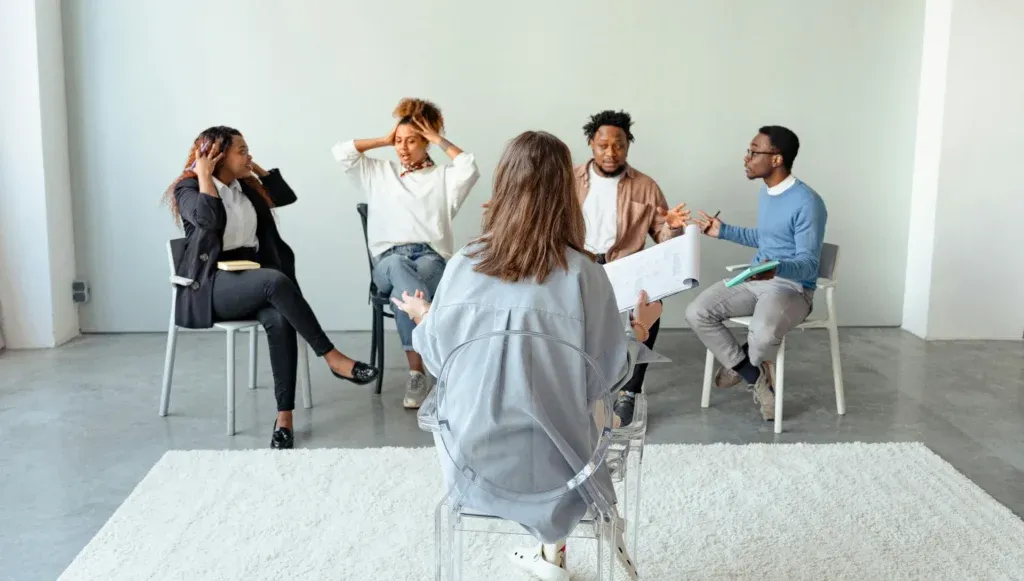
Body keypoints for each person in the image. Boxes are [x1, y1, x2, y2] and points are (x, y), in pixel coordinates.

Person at [392, 131, 658, 580]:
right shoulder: (584, 274)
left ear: (504, 184)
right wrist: (640, 330)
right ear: (565, 193)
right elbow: (605, 376)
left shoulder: (463, 263)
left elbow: (441, 362)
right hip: (562, 478)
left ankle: (549, 555)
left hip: (471, 467)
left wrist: (426, 317)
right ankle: (552, 548)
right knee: (576, 408)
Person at [164, 126, 380, 449]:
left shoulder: (246, 187)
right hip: (211, 285)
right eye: (242, 151)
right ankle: (332, 357)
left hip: (254, 279)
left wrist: (254, 169)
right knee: (275, 281)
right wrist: (205, 175)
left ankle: (284, 419)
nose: (249, 155)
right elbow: (207, 219)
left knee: (280, 317)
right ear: (217, 156)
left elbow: (285, 197)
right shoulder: (188, 188)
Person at [332, 98, 480, 409]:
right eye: (398, 141)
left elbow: (469, 166)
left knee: (406, 292)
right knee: (400, 268)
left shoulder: (444, 178)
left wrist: (439, 138)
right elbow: (341, 152)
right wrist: (384, 139)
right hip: (388, 262)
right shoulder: (378, 172)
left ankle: (416, 374)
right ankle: (441, 364)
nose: (402, 148)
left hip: (430, 259)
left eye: (411, 140)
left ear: (426, 141)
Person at [688, 125, 827, 421]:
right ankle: (753, 374)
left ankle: (743, 362)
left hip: (792, 288)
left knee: (763, 335)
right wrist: (723, 231)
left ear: (776, 159)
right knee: (697, 311)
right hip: (756, 279)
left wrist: (776, 268)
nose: (746, 157)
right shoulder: (768, 193)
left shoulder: (808, 203)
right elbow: (767, 238)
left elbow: (808, 264)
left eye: (753, 152)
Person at [575, 109, 690, 426]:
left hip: (625, 266)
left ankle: (629, 391)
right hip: (581, 265)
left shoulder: (645, 186)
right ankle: (578, 391)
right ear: (591, 143)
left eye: (619, 145)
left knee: (650, 304)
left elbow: (663, 238)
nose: (611, 153)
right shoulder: (568, 180)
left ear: (628, 146)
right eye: (603, 145)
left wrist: (672, 226)